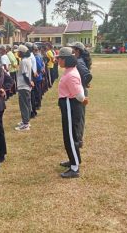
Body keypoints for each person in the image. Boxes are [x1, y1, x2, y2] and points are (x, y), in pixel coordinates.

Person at [56, 47, 88, 178]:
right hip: (68, 105)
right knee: (69, 136)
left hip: (70, 106)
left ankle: (74, 168)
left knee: (70, 137)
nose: (58, 60)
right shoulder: (69, 71)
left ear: (66, 60)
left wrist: (83, 100)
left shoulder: (71, 75)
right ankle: (73, 160)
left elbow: (80, 95)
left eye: (60, 58)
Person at [69, 42, 92, 148]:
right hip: (81, 91)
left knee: (78, 117)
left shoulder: (79, 62)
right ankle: (79, 139)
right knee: (80, 116)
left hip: (80, 92)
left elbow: (87, 74)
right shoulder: (80, 60)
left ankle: (78, 140)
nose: (73, 52)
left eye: (73, 49)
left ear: (77, 50)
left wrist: (84, 83)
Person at [15, 45, 33, 131]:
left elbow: (25, 74)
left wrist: (28, 83)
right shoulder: (27, 60)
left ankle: (26, 124)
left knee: (24, 105)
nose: (17, 53)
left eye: (18, 52)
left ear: (22, 52)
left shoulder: (23, 61)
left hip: (23, 85)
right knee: (27, 104)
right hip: (26, 85)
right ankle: (26, 120)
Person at [25, 42, 38, 118]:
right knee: (31, 95)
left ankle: (32, 112)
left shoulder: (29, 56)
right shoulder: (32, 55)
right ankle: (33, 111)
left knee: (30, 95)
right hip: (33, 74)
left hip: (31, 75)